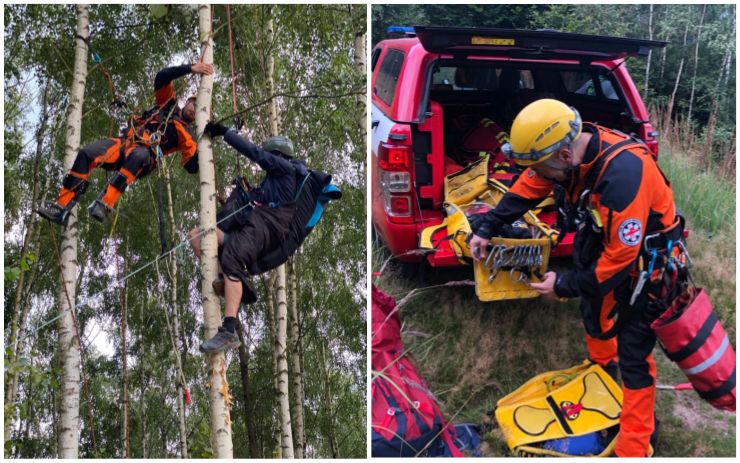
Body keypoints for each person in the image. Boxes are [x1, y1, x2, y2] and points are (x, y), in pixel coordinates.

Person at [468, 99, 683, 457]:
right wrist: (489, 226)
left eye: (542, 166)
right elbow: (530, 184)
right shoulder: (572, 151)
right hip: (603, 241)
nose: (538, 174)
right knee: (595, 313)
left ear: (565, 157)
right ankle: (602, 369)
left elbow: (620, 259)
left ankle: (634, 445)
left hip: (648, 266)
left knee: (634, 354)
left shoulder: (623, 175)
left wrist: (563, 286)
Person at [37, 62, 214, 225]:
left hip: (145, 157)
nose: (194, 109)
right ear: (189, 101)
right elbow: (162, 76)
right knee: (86, 154)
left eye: (199, 109)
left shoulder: (187, 135)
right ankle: (61, 207)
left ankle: (104, 204)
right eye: (194, 104)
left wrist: (207, 139)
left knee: (139, 155)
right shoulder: (168, 104)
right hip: (125, 143)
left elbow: (191, 166)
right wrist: (191, 68)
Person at [189, 120, 307, 354]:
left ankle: (229, 331)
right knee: (197, 235)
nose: (267, 159)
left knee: (233, 257)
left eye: (270, 154)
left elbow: (255, 153)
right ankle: (227, 277)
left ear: (277, 154)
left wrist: (225, 133)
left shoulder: (286, 169)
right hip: (252, 225)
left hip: (267, 227)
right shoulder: (271, 183)